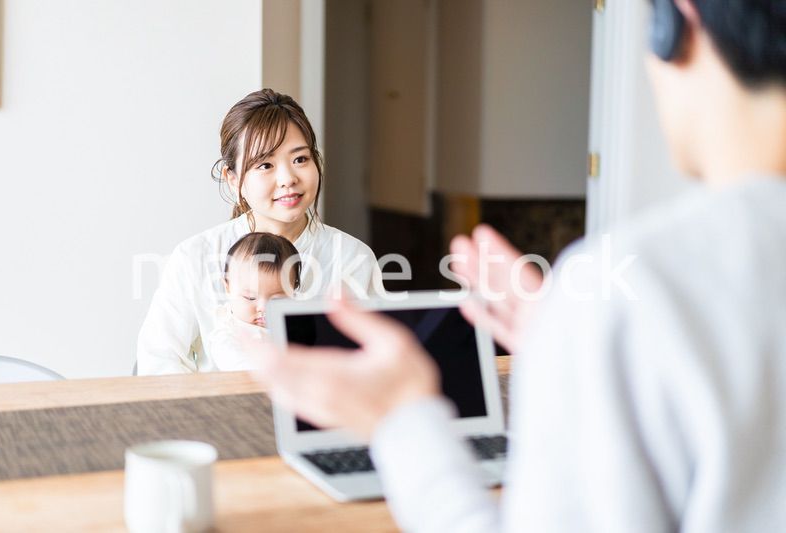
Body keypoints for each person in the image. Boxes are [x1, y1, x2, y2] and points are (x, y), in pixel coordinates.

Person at [258, 0, 786, 531]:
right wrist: (572, 350)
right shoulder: (616, 302)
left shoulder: (635, 285)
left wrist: (405, 421)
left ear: (677, 25)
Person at [137, 89, 383, 375]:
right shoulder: (195, 256)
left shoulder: (354, 258)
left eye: (300, 159)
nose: (288, 178)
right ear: (233, 179)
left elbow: (378, 362)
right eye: (265, 165)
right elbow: (158, 361)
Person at [207, 232, 301, 371]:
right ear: (228, 288)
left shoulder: (295, 324)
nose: (263, 308)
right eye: (250, 298)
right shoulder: (227, 333)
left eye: (277, 300)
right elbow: (235, 364)